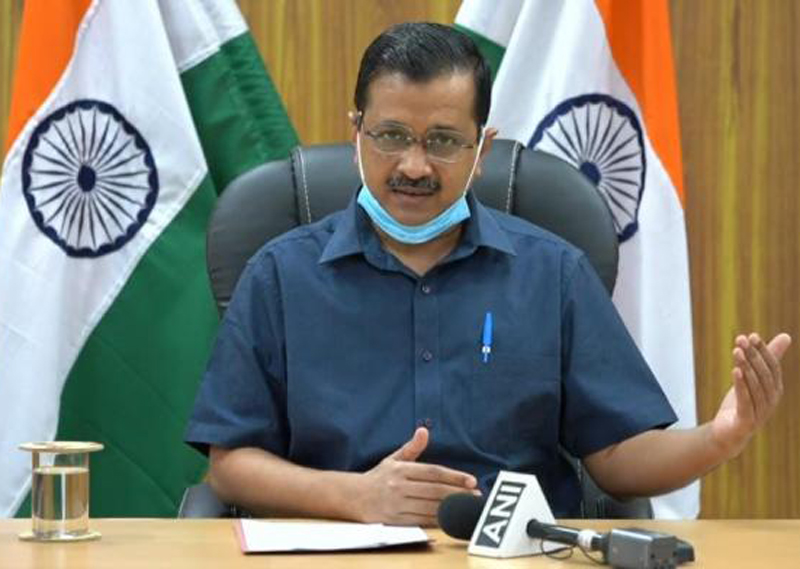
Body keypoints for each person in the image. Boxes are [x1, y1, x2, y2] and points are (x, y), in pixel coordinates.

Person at [185, 23, 791, 526]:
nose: (414, 165)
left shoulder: (553, 274)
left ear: (482, 150)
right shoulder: (280, 275)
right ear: (356, 135)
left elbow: (615, 456)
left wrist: (720, 437)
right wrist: (356, 496)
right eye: (391, 136)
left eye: (444, 141)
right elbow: (230, 463)